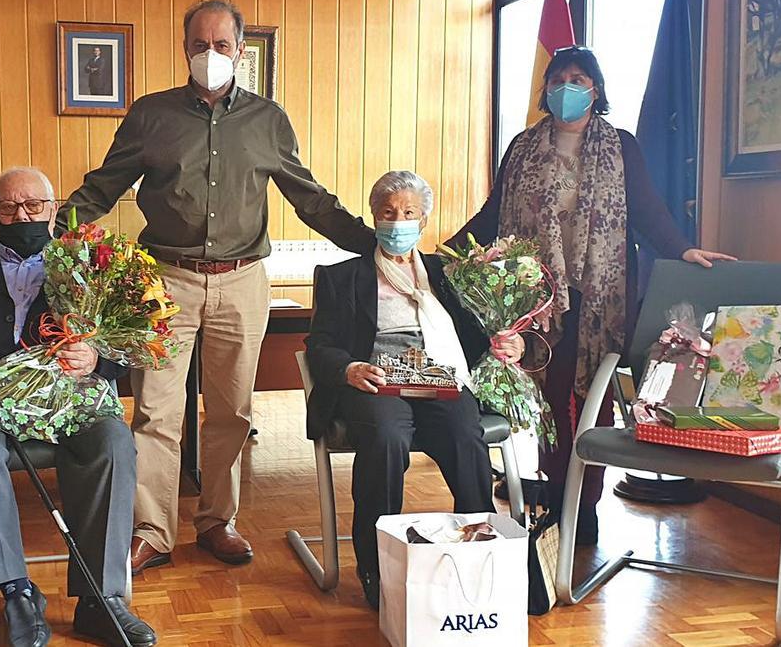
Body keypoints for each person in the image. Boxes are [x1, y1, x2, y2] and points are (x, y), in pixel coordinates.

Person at [58, 0, 375, 575]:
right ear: (185, 50)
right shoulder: (150, 116)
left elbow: (309, 198)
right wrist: (53, 231)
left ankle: (217, 521)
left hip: (243, 280)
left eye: (221, 45)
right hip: (163, 284)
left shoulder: (267, 120)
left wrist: (372, 243)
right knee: (155, 411)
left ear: (240, 50)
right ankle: (152, 530)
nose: (210, 54)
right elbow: (101, 188)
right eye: (199, 45)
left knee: (232, 409)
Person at [451, 46, 734, 542]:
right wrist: (450, 251)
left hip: (600, 296)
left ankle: (583, 507)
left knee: (590, 400)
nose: (566, 86)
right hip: (535, 295)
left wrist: (684, 251)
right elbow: (495, 214)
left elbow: (647, 213)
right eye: (558, 78)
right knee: (548, 400)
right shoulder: (522, 147)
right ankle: (558, 499)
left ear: (595, 89)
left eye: (577, 78)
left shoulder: (620, 146)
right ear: (546, 89)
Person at [0, 167, 156, 647]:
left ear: (53, 208)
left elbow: (124, 345)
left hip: (67, 403)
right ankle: (17, 593)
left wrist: (94, 357)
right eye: (8, 208)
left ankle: (100, 599)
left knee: (112, 441)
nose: (20, 215)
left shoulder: (86, 268)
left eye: (33, 207)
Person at [305, 171, 524, 610]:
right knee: (386, 439)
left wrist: (510, 341)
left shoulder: (448, 275)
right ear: (374, 217)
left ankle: (479, 551)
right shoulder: (342, 277)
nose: (397, 221)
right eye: (388, 213)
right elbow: (320, 344)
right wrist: (348, 368)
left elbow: (478, 334)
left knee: (465, 436)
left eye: (408, 213)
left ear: (424, 221)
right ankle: (378, 564)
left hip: (440, 377)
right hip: (376, 380)